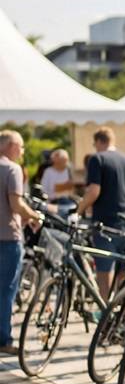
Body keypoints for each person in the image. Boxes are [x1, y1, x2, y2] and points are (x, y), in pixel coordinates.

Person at [77, 128, 125, 300]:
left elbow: (94, 191)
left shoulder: (97, 159)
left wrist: (77, 211)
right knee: (123, 270)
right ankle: (120, 309)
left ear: (99, 142)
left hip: (105, 222)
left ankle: (105, 310)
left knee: (104, 268)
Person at [0, 130, 44, 354]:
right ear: (10, 146)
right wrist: (35, 216)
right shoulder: (11, 169)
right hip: (7, 237)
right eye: (21, 147)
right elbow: (16, 204)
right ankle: (4, 340)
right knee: (6, 289)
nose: (23, 151)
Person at [39, 149, 77, 216]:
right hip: (53, 203)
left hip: (68, 202)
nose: (66, 163)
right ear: (56, 161)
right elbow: (44, 190)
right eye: (63, 161)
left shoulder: (69, 171)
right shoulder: (48, 172)